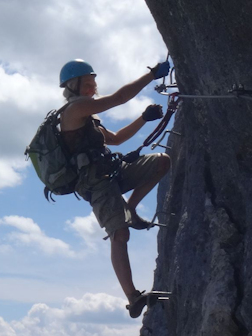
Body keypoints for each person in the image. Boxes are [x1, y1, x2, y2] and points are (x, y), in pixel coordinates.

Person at [58, 58, 172, 318]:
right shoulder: (74, 111)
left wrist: (143, 119)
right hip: (96, 184)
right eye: (87, 84)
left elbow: (117, 139)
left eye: (93, 83)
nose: (92, 88)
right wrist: (152, 75)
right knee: (119, 235)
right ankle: (133, 297)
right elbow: (120, 98)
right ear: (72, 86)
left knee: (162, 162)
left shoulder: (90, 118)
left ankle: (130, 209)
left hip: (113, 171)